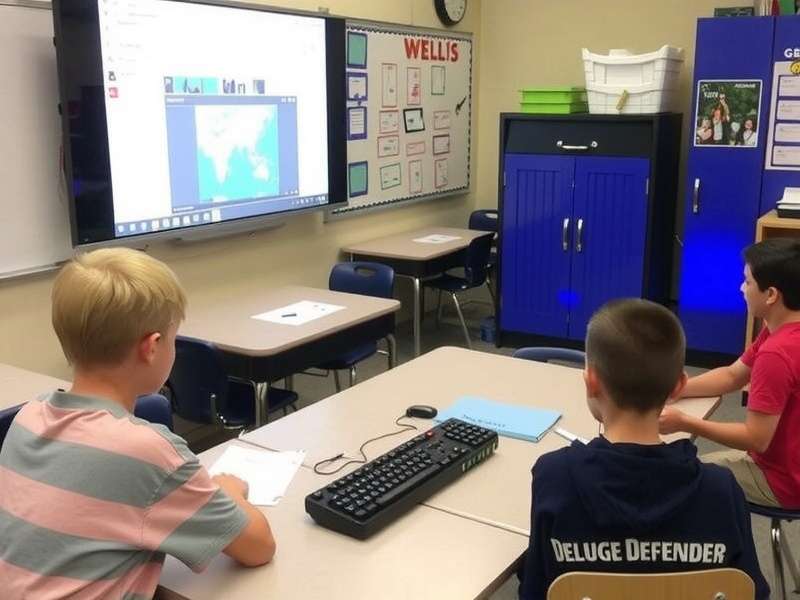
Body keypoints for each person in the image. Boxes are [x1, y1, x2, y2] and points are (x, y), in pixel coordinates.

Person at [0, 248, 276, 599]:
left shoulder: (30, 415)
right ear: (152, 347)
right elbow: (259, 547)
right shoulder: (146, 450)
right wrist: (230, 490)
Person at [519, 299, 768, 600]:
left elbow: (533, 592)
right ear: (678, 387)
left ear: (591, 383)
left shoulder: (554, 477)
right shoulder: (722, 491)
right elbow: (752, 592)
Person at [661, 238, 800, 509]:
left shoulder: (777, 353)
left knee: (675, 479)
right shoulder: (781, 329)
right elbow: (733, 376)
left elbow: (756, 439)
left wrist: (685, 423)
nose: (741, 288)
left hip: (782, 482)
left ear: (771, 294)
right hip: (790, 464)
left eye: (747, 282)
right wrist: (677, 388)